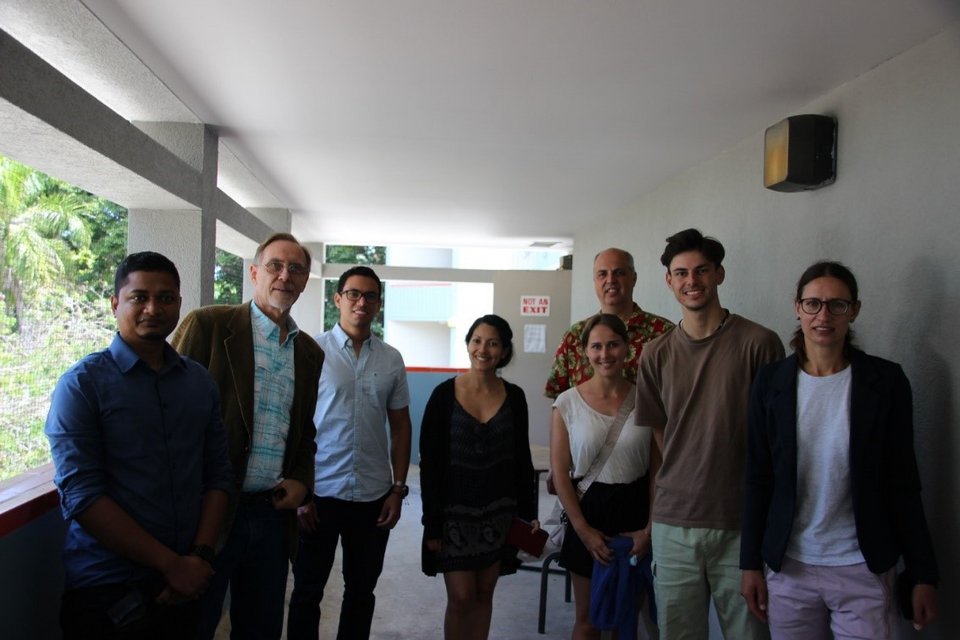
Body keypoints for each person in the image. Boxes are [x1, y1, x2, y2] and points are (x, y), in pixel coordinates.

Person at [740, 261, 939, 638]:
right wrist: (750, 563)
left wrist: (923, 573)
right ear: (797, 308)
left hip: (863, 566)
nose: (824, 315)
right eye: (813, 304)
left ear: (855, 310)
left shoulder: (886, 381)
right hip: (790, 567)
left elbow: (903, 482)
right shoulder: (771, 382)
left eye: (837, 304)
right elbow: (758, 477)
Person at [45, 251, 233, 639]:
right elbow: (81, 495)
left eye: (166, 298)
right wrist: (172, 565)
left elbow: (218, 475)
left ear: (179, 304)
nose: (153, 308)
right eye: (139, 297)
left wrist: (197, 558)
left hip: (189, 582)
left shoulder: (198, 382)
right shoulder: (81, 385)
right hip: (108, 589)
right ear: (116, 303)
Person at [170, 232, 325, 639]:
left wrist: (302, 482)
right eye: (275, 265)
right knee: (192, 623)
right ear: (255, 272)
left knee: (261, 628)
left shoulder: (309, 353)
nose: (284, 276)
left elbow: (305, 431)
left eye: (296, 269)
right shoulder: (209, 325)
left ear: (305, 282)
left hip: (271, 516)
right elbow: (166, 410)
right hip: (209, 511)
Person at [635, 228, 784, 640]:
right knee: (679, 634)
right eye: (680, 273)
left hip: (741, 520)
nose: (691, 281)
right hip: (673, 522)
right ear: (669, 281)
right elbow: (663, 436)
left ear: (719, 274)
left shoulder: (760, 344)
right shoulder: (655, 354)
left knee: (748, 633)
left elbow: (775, 437)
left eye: (701, 271)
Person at [287, 265, 412, 640]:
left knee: (361, 593)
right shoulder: (310, 350)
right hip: (318, 494)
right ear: (337, 299)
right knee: (307, 592)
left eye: (370, 296)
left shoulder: (391, 359)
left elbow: (401, 426)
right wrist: (299, 491)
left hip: (373, 496)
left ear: (378, 304)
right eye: (354, 294)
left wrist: (398, 489)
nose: (362, 302)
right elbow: (293, 425)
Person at [419, 314, 539, 640]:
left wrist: (528, 516)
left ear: (503, 351)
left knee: (485, 595)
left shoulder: (514, 397)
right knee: (460, 598)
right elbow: (429, 466)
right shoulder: (443, 396)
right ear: (468, 344)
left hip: (499, 515)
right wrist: (431, 523)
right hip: (452, 517)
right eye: (476, 340)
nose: (483, 349)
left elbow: (522, 461)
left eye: (492, 342)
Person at [551, 314, 657, 640]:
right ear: (585, 351)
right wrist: (583, 531)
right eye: (596, 346)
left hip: (635, 514)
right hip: (588, 512)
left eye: (613, 344)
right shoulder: (567, 403)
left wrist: (649, 530)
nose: (605, 353)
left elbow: (658, 470)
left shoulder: (647, 399)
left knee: (626, 618)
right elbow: (560, 473)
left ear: (627, 348)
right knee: (589, 619)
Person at [545, 248, 673, 399]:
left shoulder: (664, 334)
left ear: (634, 278)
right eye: (602, 274)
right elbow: (559, 400)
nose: (611, 280)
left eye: (619, 273)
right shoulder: (575, 336)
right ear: (595, 281)